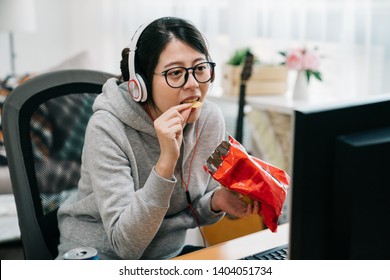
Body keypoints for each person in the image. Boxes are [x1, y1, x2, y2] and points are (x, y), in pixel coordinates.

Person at [56, 16, 260, 260]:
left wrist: (216, 201)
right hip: (99, 257)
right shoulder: (106, 127)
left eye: (200, 68)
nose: (193, 84)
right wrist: (166, 163)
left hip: (168, 257)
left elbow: (187, 209)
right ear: (140, 84)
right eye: (175, 73)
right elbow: (126, 245)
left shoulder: (208, 119)